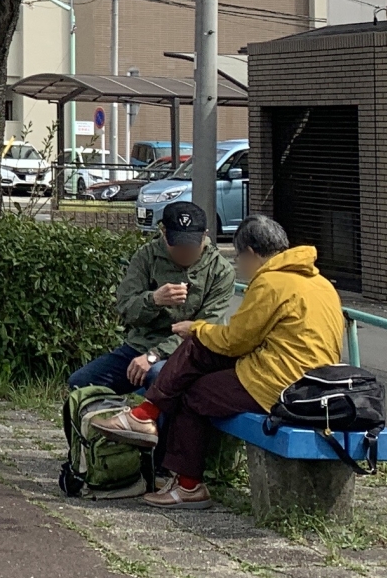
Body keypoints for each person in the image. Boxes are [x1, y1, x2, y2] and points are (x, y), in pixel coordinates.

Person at [86, 214, 345, 510]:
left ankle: (186, 482)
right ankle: (146, 417)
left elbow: (235, 341)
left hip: (277, 383)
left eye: (239, 258)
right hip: (312, 382)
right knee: (199, 350)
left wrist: (195, 328)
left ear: (251, 253)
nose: (239, 266)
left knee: (193, 393)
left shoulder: (271, 282)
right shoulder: (319, 282)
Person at [66, 203, 234, 393]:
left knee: (158, 375)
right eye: (177, 245)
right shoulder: (146, 256)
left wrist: (155, 355)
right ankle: (113, 419)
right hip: (141, 345)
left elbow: (205, 330)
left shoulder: (220, 270)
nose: (184, 252)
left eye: (191, 245)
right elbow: (125, 309)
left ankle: (153, 420)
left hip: (188, 352)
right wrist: (154, 300)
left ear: (205, 235)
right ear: (164, 233)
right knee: (81, 382)